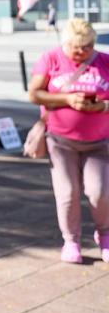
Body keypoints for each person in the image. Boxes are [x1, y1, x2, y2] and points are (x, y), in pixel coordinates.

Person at [28, 18, 109, 264]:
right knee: (68, 193)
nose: (82, 52)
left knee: (99, 192)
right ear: (66, 43)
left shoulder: (105, 61)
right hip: (61, 140)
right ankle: (71, 240)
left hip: (99, 141)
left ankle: (104, 235)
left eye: (88, 46)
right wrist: (67, 99)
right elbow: (34, 94)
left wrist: (102, 106)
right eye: (76, 47)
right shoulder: (51, 58)